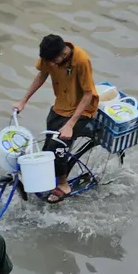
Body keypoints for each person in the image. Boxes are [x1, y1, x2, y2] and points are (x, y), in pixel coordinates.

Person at [13, 34, 111, 204]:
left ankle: (64, 185)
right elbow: (42, 74)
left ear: (63, 55)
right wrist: (24, 100)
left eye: (53, 61)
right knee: (46, 150)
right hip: (60, 106)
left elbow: (88, 94)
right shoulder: (50, 57)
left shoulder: (81, 60)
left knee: (58, 149)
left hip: (82, 110)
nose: (51, 65)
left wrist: (71, 124)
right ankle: (49, 180)